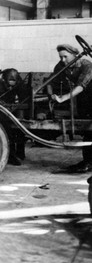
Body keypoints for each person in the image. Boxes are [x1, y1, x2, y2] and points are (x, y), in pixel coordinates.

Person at [51, 44, 92, 173]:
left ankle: (88, 162)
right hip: (82, 99)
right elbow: (52, 80)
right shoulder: (61, 65)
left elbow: (81, 86)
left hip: (89, 94)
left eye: (65, 57)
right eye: (60, 57)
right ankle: (88, 161)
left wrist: (64, 98)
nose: (63, 60)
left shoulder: (87, 65)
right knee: (88, 131)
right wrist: (51, 93)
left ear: (75, 55)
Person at [0, 68, 30, 166]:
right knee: (7, 129)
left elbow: (24, 96)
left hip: (11, 107)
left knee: (21, 127)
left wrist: (21, 105)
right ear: (3, 79)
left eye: (12, 86)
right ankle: (10, 156)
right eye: (8, 86)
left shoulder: (18, 79)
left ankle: (20, 153)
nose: (10, 88)